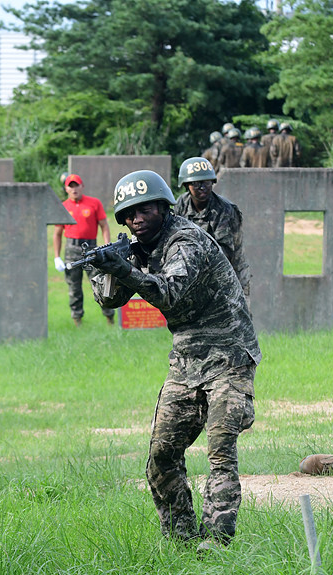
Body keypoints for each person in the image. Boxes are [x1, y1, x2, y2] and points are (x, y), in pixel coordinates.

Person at [88, 170, 261, 548]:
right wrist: (102, 271)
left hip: (229, 355)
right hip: (186, 360)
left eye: (145, 209)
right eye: (129, 214)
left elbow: (169, 294)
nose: (137, 219)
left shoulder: (186, 240)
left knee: (220, 451)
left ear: (164, 206)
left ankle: (216, 542)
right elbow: (110, 301)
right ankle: (180, 539)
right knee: (161, 457)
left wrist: (124, 269)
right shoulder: (141, 248)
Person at [174, 157, 251, 299]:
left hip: (229, 277)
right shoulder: (181, 205)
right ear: (186, 185)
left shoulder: (224, 210)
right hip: (195, 277)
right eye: (196, 183)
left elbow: (224, 252)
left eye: (206, 182)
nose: (202, 187)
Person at [53, 174, 115, 326]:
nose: (74, 189)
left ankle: (109, 318)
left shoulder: (94, 203)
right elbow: (57, 233)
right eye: (70, 186)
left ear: (82, 186)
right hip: (71, 249)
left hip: (91, 248)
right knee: (74, 286)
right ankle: (77, 320)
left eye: (76, 185)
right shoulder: (63, 207)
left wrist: (107, 246)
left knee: (100, 282)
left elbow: (104, 226)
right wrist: (56, 257)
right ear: (66, 189)